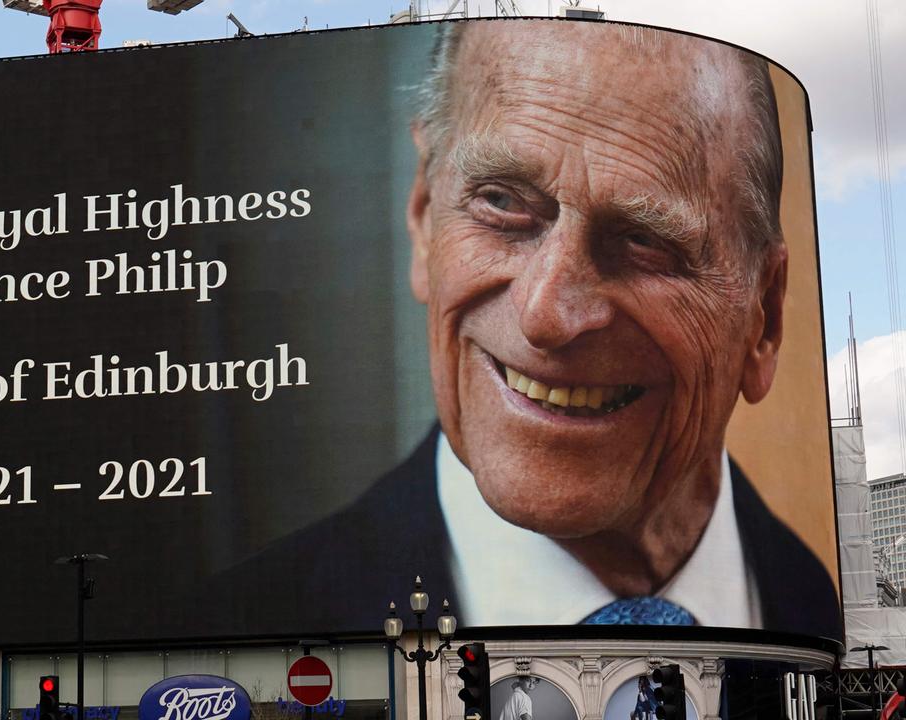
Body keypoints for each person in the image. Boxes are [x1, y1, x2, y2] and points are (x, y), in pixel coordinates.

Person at [219, 19, 839, 639]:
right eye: (503, 203)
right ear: (424, 215)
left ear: (766, 315)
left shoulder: (824, 611)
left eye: (643, 241)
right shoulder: (234, 628)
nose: (545, 314)